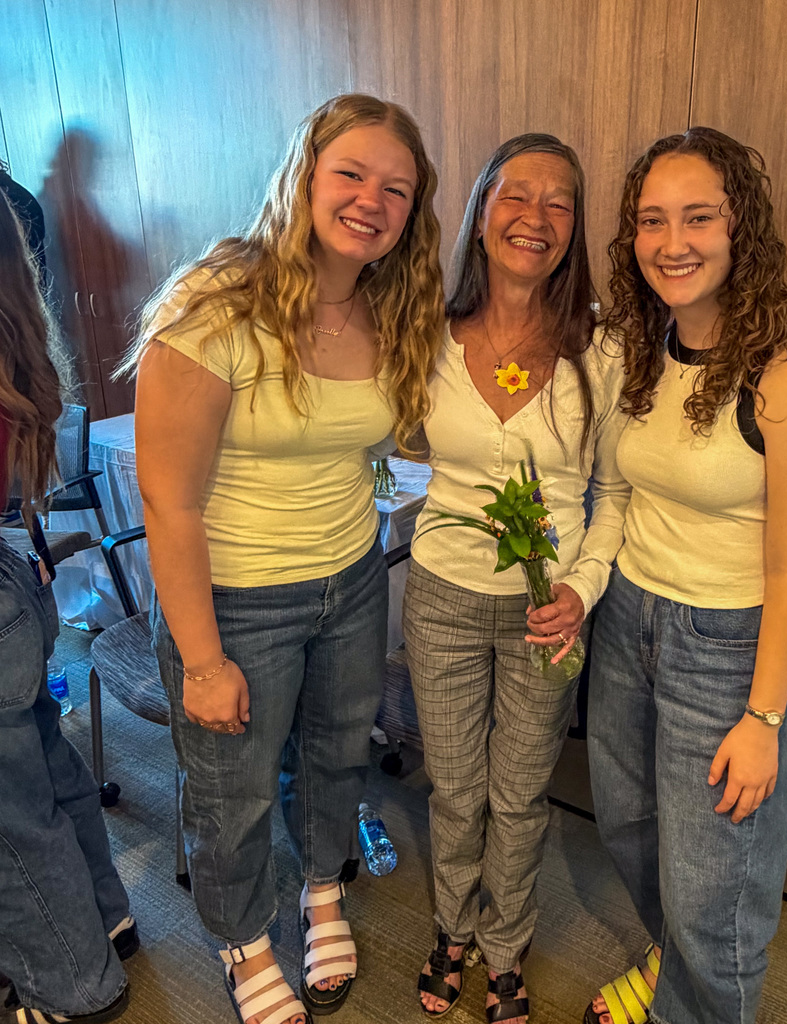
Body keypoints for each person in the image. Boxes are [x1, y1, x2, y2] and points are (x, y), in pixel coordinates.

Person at [125, 94, 444, 1024]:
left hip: (351, 581)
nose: (371, 200)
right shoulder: (215, 304)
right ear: (304, 176)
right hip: (236, 601)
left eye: (397, 189)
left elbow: (369, 443)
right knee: (234, 795)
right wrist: (203, 660)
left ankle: (322, 889)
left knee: (338, 758)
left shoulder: (388, 305)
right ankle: (244, 940)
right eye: (351, 173)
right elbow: (168, 501)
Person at [584, 128, 787, 1024]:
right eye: (653, 220)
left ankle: (697, 998)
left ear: (740, 231)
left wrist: (764, 720)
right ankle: (675, 965)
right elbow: (619, 487)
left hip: (727, 645)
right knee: (629, 824)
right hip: (628, 620)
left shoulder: (785, 377)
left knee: (715, 884)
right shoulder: (641, 347)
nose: (673, 242)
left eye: (699, 217)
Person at [406, 134, 630, 1024]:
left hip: (552, 612)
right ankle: (452, 929)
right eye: (516, 195)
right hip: (442, 600)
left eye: (559, 203)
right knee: (456, 788)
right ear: (480, 211)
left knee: (519, 792)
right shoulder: (427, 332)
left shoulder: (601, 347)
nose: (536, 217)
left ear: (574, 227)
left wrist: (582, 589)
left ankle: (506, 946)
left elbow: (614, 493)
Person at [0, 192, 136, 1022]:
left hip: (11, 581)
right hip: (16, 580)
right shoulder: (13, 340)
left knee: (12, 826)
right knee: (46, 773)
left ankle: (74, 984)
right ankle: (106, 920)